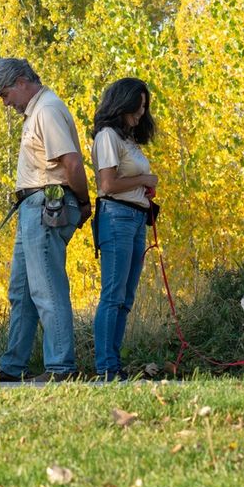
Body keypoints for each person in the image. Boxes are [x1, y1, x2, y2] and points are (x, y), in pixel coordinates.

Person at [0, 58, 92, 384]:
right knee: (21, 292)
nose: (5, 103)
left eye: (5, 94)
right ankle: (12, 367)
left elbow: (73, 165)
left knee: (46, 289)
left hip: (46, 206)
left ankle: (61, 368)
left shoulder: (47, 109)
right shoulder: (36, 112)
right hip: (32, 207)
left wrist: (82, 202)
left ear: (22, 81)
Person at [89, 77, 158, 381]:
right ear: (123, 103)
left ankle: (113, 364)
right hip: (116, 217)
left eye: (145, 107)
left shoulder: (128, 139)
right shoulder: (107, 137)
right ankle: (106, 366)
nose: (142, 112)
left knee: (126, 297)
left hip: (135, 218)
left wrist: (145, 193)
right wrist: (144, 181)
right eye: (138, 106)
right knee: (113, 295)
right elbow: (107, 184)